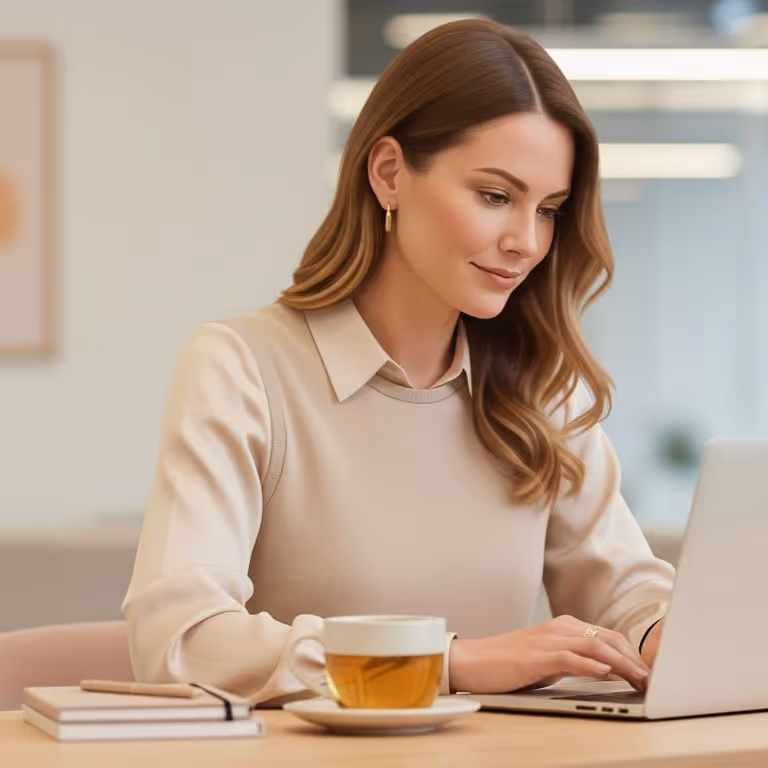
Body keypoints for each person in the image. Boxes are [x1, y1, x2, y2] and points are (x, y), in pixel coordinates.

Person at [122, 18, 674, 707]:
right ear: (389, 174)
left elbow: (625, 590)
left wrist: (663, 634)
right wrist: (447, 663)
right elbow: (179, 639)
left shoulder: (541, 388)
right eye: (496, 196)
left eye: (550, 209)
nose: (526, 242)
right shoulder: (243, 368)